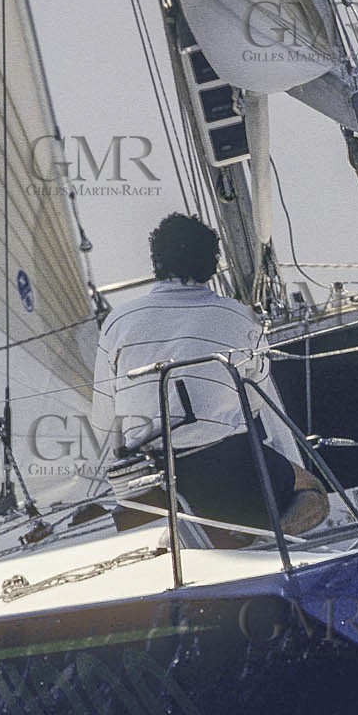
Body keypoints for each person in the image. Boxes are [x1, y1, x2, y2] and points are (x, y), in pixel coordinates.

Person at [91, 212, 328, 542]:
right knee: (314, 495)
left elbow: (103, 415)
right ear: (212, 264)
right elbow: (259, 403)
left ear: (156, 262)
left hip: (150, 474)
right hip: (224, 470)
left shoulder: (117, 322)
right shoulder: (237, 317)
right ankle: (263, 536)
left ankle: (216, 540)